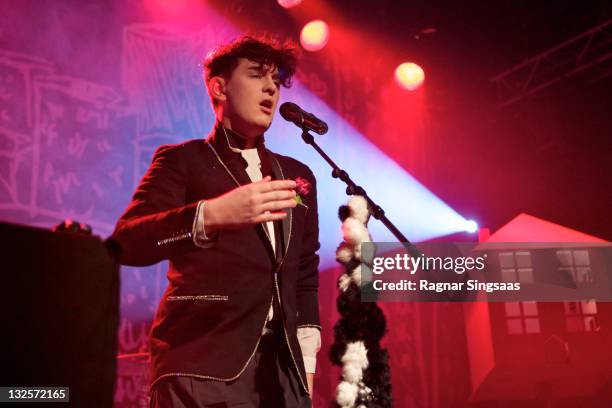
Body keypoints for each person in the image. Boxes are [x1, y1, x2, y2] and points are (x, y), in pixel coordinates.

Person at [111, 35, 321, 407]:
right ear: (219, 87)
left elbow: (303, 274)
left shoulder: (297, 174)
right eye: (257, 75)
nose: (271, 87)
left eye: (276, 79)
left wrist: (305, 369)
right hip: (201, 363)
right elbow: (128, 242)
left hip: (282, 375)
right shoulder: (183, 160)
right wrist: (212, 215)